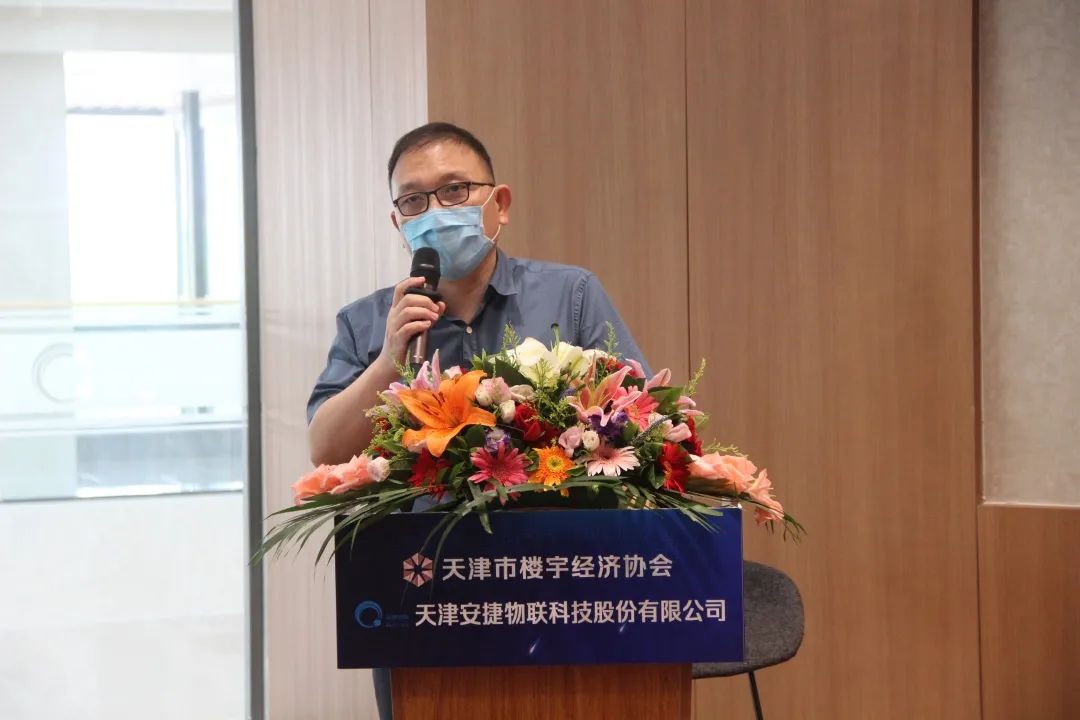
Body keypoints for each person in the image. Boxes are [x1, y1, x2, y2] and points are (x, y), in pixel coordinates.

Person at [305, 121, 647, 719]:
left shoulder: (570, 294)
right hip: (424, 590)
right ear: (399, 224)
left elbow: (636, 417)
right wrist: (389, 359)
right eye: (414, 201)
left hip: (561, 578)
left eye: (455, 190)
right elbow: (325, 450)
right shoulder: (366, 322)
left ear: (499, 203)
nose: (436, 211)